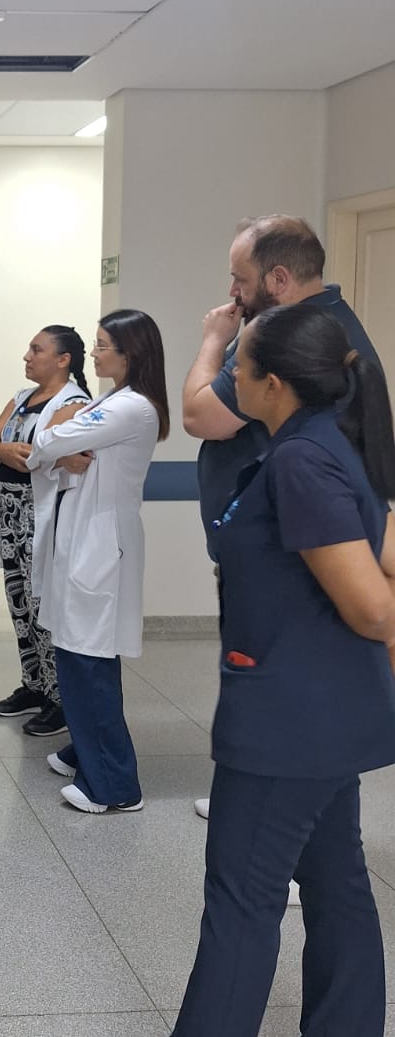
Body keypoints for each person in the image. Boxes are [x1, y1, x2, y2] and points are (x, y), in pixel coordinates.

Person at [80, 304, 395, 1037]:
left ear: (274, 384)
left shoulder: (301, 460)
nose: (229, 379)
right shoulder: (332, 440)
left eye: (239, 367)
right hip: (325, 718)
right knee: (338, 886)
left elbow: (374, 605)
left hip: (289, 725)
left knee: (242, 906)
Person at [182, 215, 382, 826]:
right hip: (281, 547)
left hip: (295, 555)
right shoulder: (309, 330)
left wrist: (216, 342)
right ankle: (296, 824)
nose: (232, 294)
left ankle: (284, 831)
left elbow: (200, 416)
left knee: (294, 697)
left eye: (240, 280)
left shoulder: (289, 343)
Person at [27, 309, 169, 812]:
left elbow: (47, 440)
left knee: (89, 660)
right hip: (82, 537)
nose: (96, 352)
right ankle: (84, 750)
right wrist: (60, 446)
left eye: (103, 345)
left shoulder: (131, 408)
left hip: (101, 545)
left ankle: (114, 786)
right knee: (74, 650)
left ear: (131, 352)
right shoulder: (111, 401)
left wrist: (60, 435)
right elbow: (51, 452)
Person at [0, 327, 91, 738]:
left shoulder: (74, 403)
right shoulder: (22, 399)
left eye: (37, 350)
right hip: (7, 511)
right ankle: (34, 684)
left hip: (41, 516)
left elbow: (38, 454)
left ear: (63, 360)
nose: (27, 356)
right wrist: (3, 448)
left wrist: (8, 448)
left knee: (44, 602)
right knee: (19, 600)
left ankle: (60, 699)